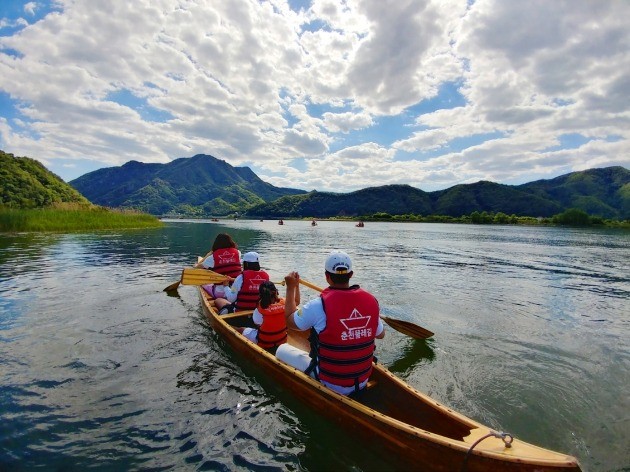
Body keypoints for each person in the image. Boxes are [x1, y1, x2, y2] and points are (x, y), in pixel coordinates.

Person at [279, 251, 385, 396]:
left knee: (281, 350)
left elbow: (290, 321)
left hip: (332, 383)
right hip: (363, 379)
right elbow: (381, 334)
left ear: (327, 276)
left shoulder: (318, 305)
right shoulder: (371, 301)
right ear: (351, 274)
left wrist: (291, 287)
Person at [238, 281, 294, 353]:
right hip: (281, 341)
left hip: (265, 343)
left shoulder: (260, 309)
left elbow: (257, 323)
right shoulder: (286, 305)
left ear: (261, 295)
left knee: (241, 329)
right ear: (276, 292)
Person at [195, 233, 242, 298]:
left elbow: (197, 268)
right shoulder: (238, 253)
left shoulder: (212, 257)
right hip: (236, 290)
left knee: (203, 283)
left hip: (220, 292)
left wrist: (209, 254)